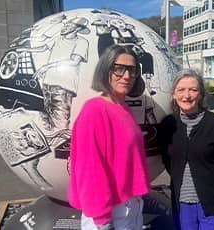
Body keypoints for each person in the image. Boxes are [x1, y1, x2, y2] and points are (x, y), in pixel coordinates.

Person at [68, 44, 150, 230]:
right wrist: (102, 219)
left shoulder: (123, 108)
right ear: (106, 70)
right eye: (119, 68)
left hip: (129, 206)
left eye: (132, 70)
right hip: (109, 213)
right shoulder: (95, 111)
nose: (127, 76)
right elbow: (89, 169)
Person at [160, 69, 214, 230]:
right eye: (181, 90)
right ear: (174, 95)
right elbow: (168, 161)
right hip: (182, 205)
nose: (187, 95)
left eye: (193, 90)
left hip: (213, 204)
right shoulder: (168, 124)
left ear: (201, 94)